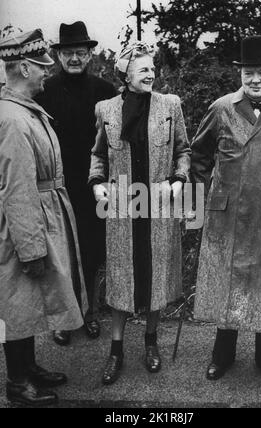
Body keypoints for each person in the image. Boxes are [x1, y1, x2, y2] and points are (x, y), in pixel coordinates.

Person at [192, 35, 261, 387]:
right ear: (239, 74)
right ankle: (221, 355)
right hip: (226, 216)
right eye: (249, 73)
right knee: (228, 281)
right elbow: (198, 156)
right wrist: (197, 206)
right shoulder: (221, 107)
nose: (256, 80)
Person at [89, 41, 191, 385]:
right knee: (122, 276)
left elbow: (183, 151)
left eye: (152, 68)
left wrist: (179, 179)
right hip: (121, 208)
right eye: (143, 69)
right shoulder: (106, 109)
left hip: (159, 205)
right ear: (126, 75)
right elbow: (98, 155)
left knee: (156, 275)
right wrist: (97, 182)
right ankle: (115, 349)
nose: (151, 74)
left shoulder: (169, 106)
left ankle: (151, 342)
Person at [0, 29, 87, 406]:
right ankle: (18, 383)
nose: (46, 73)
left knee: (31, 300)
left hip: (42, 214)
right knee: (19, 302)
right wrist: (31, 248)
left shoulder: (23, 111)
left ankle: (29, 367)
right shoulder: (13, 120)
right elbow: (17, 188)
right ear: (22, 67)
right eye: (40, 66)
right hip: (27, 222)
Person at [36, 21, 117, 346]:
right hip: (56, 186)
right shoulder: (45, 91)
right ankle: (63, 319)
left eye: (79, 52)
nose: (74, 58)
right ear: (58, 56)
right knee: (61, 252)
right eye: (68, 52)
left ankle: (90, 312)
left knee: (93, 250)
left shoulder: (105, 91)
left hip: (95, 185)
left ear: (90, 54)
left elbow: (115, 141)